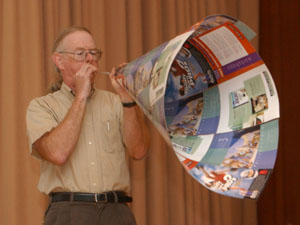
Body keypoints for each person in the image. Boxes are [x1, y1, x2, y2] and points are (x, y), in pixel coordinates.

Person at [26, 26, 150, 225]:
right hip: (69, 211)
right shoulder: (42, 106)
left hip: (117, 211)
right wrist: (81, 95)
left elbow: (139, 151)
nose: (90, 59)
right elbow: (57, 153)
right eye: (80, 53)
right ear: (59, 61)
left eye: (93, 53)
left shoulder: (115, 102)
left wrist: (128, 100)